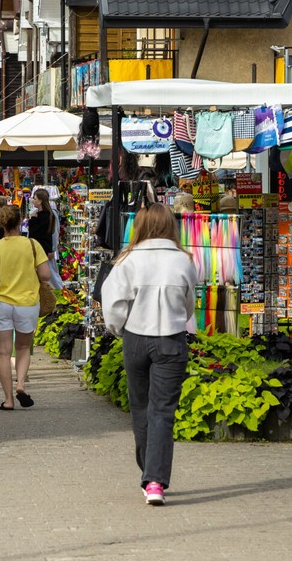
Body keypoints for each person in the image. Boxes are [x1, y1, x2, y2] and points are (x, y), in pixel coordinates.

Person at [101, 203, 197, 506]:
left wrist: (119, 329)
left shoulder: (127, 260)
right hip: (170, 337)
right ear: (171, 225)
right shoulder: (184, 261)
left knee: (140, 407)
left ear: (139, 226)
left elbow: (113, 304)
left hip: (136, 338)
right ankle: (155, 479)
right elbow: (189, 303)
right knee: (162, 411)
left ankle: (149, 471)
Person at [0, 204, 49, 411]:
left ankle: (8, 399)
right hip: (27, 303)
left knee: (3, 352)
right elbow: (45, 275)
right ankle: (20, 385)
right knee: (24, 348)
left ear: (0, 223)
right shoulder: (32, 244)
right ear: (20, 222)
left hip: (1, 304)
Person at [28, 188, 63, 289]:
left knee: (49, 276)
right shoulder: (49, 215)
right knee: (51, 274)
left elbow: (34, 233)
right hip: (45, 250)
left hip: (43, 250)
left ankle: (59, 292)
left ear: (40, 201)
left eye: (35, 199)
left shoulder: (42, 216)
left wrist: (33, 220)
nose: (33, 201)